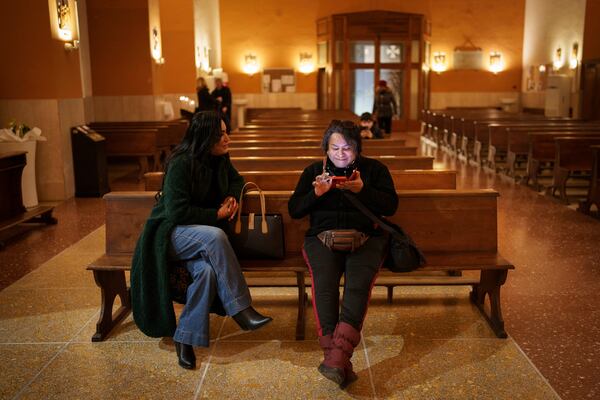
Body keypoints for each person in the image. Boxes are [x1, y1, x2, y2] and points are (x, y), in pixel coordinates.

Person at [131, 111, 272, 371]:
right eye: (221, 134)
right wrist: (215, 214)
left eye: (226, 131)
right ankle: (241, 309)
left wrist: (231, 197)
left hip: (197, 235)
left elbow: (236, 180)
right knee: (215, 235)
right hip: (169, 233)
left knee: (206, 272)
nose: (227, 138)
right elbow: (176, 213)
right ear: (205, 136)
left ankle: (185, 338)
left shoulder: (219, 158)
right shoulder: (181, 163)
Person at [288, 120, 398, 388]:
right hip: (322, 240)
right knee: (324, 288)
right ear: (325, 149)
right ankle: (337, 359)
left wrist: (363, 190)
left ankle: (335, 359)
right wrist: (315, 194)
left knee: (357, 288)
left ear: (357, 148)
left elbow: (391, 206)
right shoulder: (314, 170)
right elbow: (295, 210)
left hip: (365, 239)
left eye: (347, 148)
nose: (340, 154)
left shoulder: (374, 170)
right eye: (334, 148)